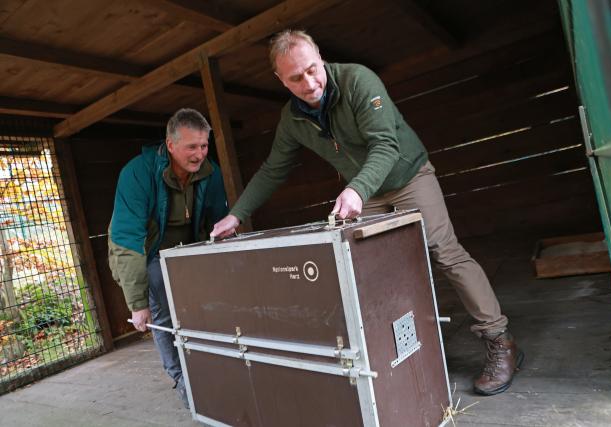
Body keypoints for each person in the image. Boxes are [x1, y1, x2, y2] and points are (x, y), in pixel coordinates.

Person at [212, 30, 523, 396]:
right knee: (370, 266)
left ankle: (501, 342)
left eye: (313, 70)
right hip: (366, 190)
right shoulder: (291, 120)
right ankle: (402, 347)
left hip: (408, 176)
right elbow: (273, 169)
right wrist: (237, 214)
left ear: (320, 58)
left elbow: (385, 144)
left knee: (445, 252)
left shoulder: (358, 80)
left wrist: (356, 189)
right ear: (280, 79)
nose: (309, 83)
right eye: (295, 77)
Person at [108, 108, 228, 407]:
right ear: (170, 145)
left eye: (203, 146)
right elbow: (127, 241)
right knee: (160, 295)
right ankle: (183, 382)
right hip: (147, 255)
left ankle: (216, 368)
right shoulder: (137, 173)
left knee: (208, 301)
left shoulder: (209, 172)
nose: (199, 154)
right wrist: (138, 304)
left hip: (187, 253)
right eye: (191, 147)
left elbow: (218, 222)